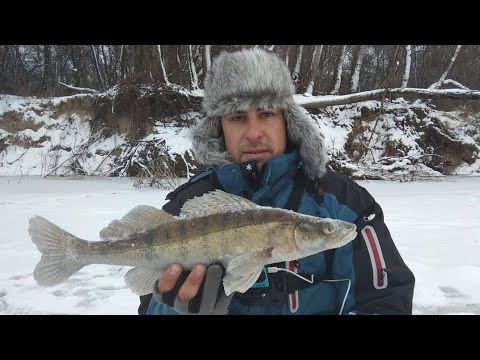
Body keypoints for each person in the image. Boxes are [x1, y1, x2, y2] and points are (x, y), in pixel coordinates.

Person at [138, 47, 415, 315]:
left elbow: (388, 302)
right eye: (237, 117)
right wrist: (172, 309)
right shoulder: (185, 207)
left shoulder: (345, 204)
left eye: (267, 114)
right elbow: (147, 302)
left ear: (287, 121)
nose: (254, 133)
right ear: (218, 129)